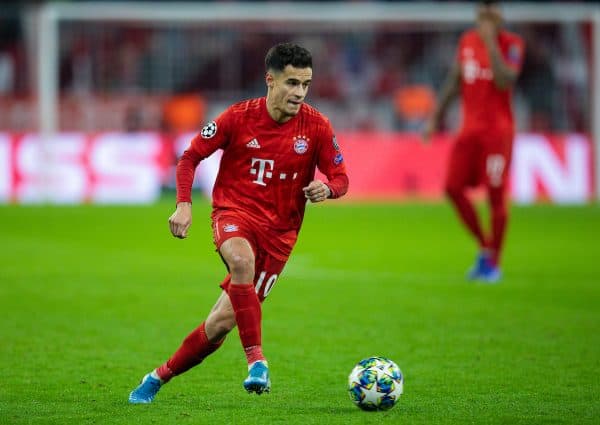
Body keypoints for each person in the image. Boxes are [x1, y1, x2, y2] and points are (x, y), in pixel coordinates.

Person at [128, 42, 349, 403]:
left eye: (306, 84)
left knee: (219, 325)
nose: (299, 93)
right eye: (292, 83)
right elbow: (189, 157)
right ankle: (257, 361)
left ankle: (157, 376)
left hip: (280, 235)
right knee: (241, 260)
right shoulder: (238, 117)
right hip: (234, 213)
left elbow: (341, 177)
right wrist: (184, 205)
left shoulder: (317, 127)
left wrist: (328, 189)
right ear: (270, 80)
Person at [422, 0, 524, 283]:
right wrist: (434, 118)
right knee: (452, 188)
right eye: (483, 12)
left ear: (501, 16)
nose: (486, 17)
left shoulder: (512, 44)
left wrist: (491, 42)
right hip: (469, 131)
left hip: (497, 134)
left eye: (492, 11)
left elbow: (506, 81)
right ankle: (484, 247)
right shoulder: (466, 41)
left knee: (495, 195)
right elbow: (455, 80)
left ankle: (494, 263)